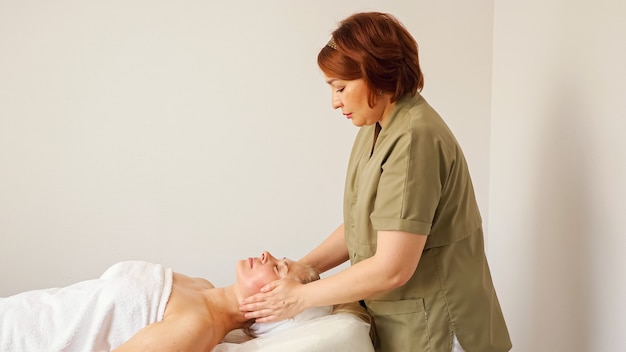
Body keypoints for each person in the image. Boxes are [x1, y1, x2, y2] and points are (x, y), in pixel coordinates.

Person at [240, 12, 512, 352]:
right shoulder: (376, 126)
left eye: (340, 87)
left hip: (439, 325)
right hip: (402, 319)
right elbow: (364, 223)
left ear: (376, 75)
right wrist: (305, 267)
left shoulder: (414, 138)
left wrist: (300, 298)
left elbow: (393, 267)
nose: (334, 101)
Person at [0, 251, 359, 352]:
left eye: (279, 267)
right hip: (17, 312)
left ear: (273, 304)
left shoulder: (196, 327)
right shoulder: (200, 287)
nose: (267, 254)